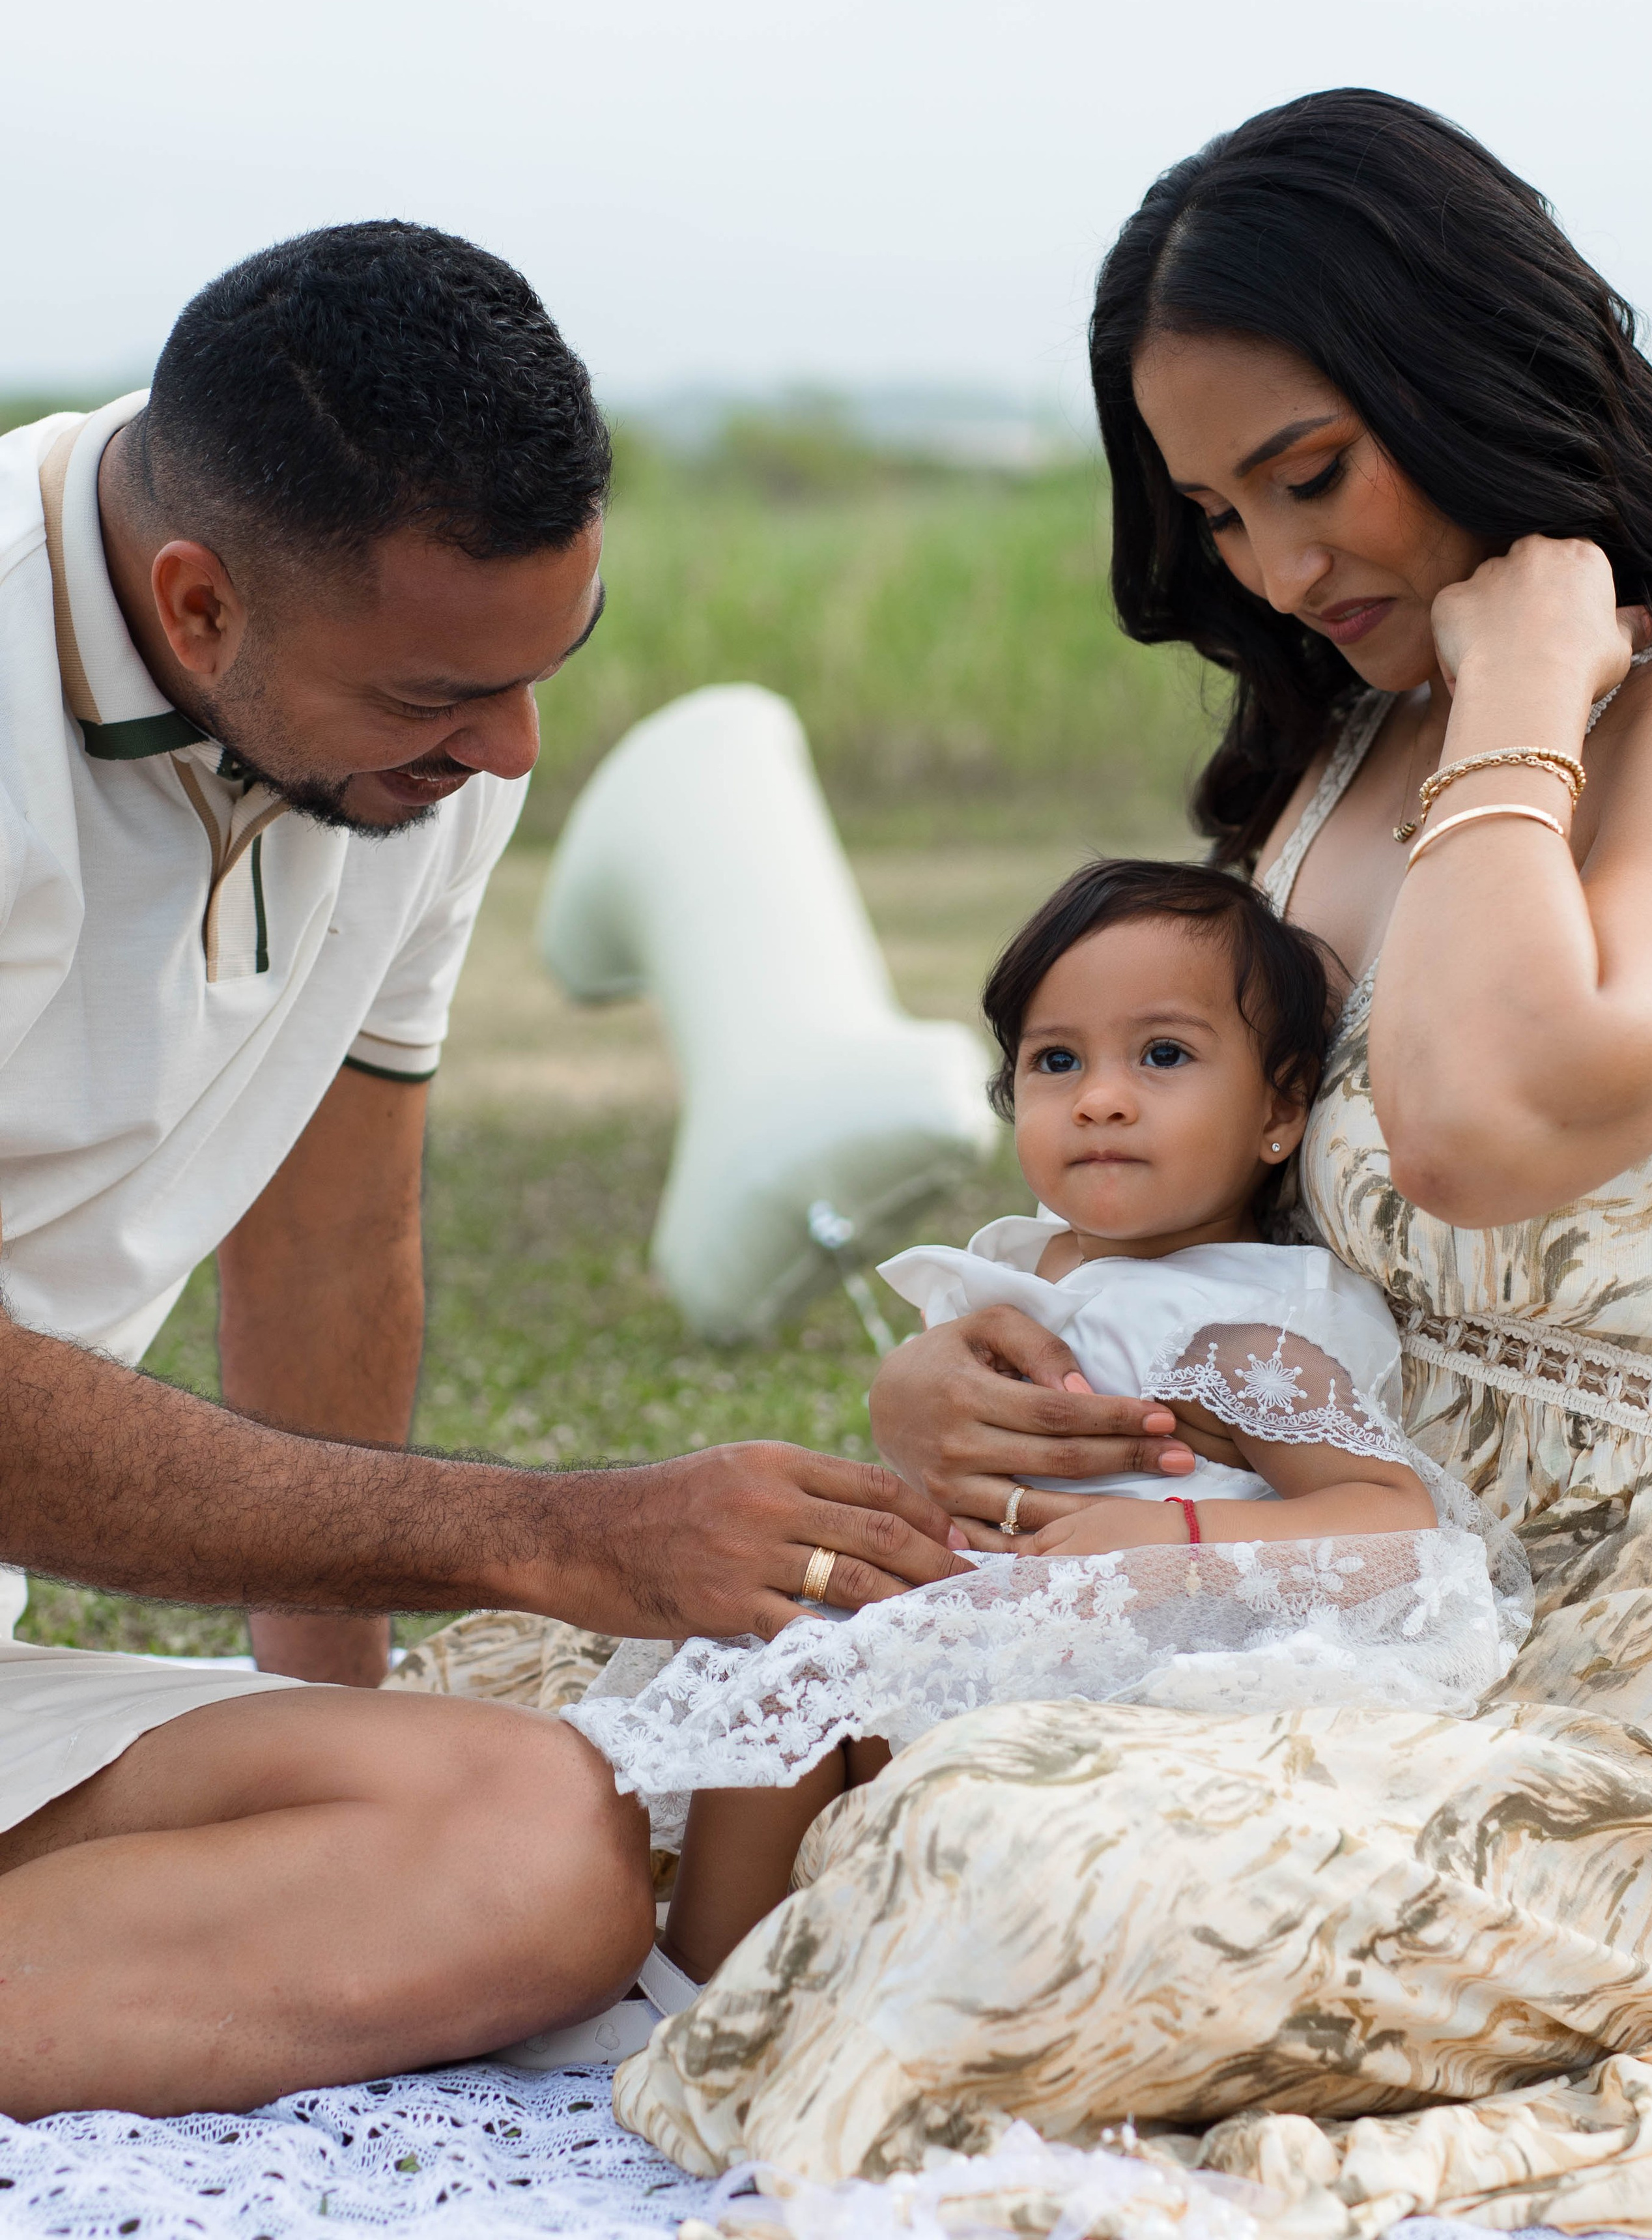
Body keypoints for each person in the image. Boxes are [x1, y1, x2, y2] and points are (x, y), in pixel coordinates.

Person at [606, 92, 1652, 2220]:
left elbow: (1473, 1130)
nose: (1280, 574)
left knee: (1005, 1860)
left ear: (1468, 372)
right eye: (1221, 513)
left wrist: (1538, 682)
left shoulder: (1617, 728)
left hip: (1605, 1687)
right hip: (1315, 1578)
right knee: (696, 1726)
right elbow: (1235, 1193)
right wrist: (975, 1368)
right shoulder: (1344, 746)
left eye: (1312, 478)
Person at [0, 222, 971, 2119]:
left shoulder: (420, 738)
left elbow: (331, 1228)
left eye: (550, 666)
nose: (514, 748)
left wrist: (329, 1737)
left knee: (534, 1852)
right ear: (198, 609)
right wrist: (546, 1530)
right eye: (441, 699)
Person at [571, 857, 1522, 2012]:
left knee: (806, 1666)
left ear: (1279, 1112)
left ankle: (707, 1986)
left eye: (1162, 1057)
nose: (1101, 1098)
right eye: (1055, 1061)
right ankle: (711, 1956)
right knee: (772, 1637)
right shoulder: (1032, 1264)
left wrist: (1167, 1537)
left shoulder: (1240, 1323)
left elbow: (1391, 1518)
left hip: (1135, 1635)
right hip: (995, 1600)